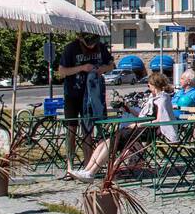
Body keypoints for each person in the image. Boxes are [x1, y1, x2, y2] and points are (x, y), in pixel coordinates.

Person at [70, 72, 178, 180]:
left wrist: (137, 124)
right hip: (140, 128)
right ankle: (87, 170)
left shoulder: (162, 99)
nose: (148, 86)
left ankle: (91, 173)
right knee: (106, 140)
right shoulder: (152, 98)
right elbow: (143, 115)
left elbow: (159, 120)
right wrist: (128, 109)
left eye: (148, 84)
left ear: (154, 84)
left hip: (147, 131)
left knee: (112, 140)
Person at [57, 31, 114, 170]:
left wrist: (102, 69)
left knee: (88, 129)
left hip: (93, 94)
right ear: (81, 40)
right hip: (73, 94)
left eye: (93, 44)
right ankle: (69, 165)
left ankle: (89, 164)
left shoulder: (100, 47)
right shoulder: (71, 48)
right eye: (88, 44)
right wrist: (81, 68)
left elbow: (111, 65)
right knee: (71, 129)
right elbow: (62, 71)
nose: (91, 46)